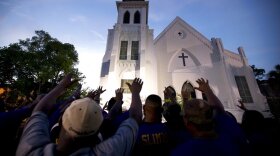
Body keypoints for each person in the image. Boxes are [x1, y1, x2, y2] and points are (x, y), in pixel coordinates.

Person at [16, 74, 143, 156]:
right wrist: (134, 93)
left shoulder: (30, 149)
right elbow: (135, 117)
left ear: (62, 120)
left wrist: (60, 86)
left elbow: (40, 110)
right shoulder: (110, 151)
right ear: (99, 131)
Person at [172, 78, 250, 156]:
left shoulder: (184, 151)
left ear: (189, 125)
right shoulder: (230, 132)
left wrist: (185, 99)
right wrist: (207, 90)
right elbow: (219, 109)